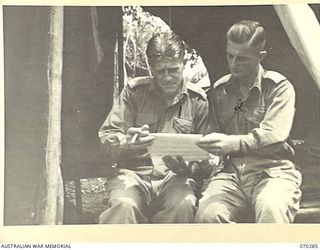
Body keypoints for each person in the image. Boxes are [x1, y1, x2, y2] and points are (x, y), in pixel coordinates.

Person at [194, 20, 302, 223]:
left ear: (260, 56)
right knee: (207, 214)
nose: (233, 64)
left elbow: (274, 136)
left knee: (271, 207)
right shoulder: (220, 90)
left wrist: (229, 143)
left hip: (273, 171)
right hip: (231, 174)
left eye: (241, 58)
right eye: (229, 56)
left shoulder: (279, 88)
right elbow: (212, 136)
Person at [98, 31, 211, 223]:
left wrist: (191, 168)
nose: (167, 77)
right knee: (123, 205)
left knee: (183, 205)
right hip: (133, 175)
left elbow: (206, 156)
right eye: (160, 71)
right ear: (150, 68)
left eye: (173, 70)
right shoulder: (134, 93)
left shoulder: (197, 100)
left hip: (176, 178)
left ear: (183, 64)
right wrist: (127, 143)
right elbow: (107, 137)